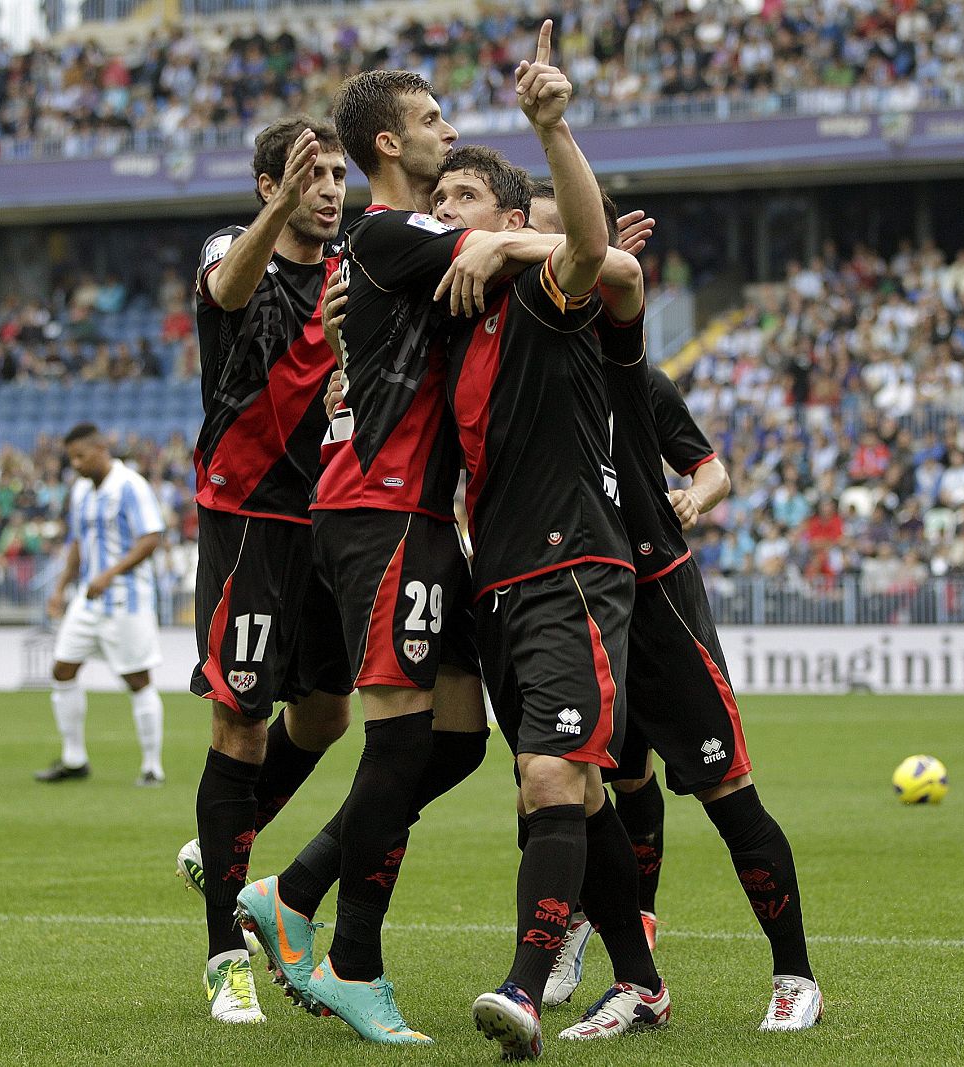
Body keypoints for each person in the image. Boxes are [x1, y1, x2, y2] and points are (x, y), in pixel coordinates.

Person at [465, 180, 821, 1031]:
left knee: (727, 789)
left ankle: (795, 972)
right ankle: (634, 971)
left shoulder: (626, 361)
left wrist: (697, 494)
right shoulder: (514, 356)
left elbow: (708, 461)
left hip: (655, 593)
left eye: (562, 241)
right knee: (591, 787)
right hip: (574, 594)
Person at [235, 69, 499, 1045]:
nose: (449, 131)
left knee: (461, 736)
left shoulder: (388, 253)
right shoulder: (390, 232)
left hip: (420, 511)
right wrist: (544, 237)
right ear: (388, 144)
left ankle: (292, 885)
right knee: (395, 736)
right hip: (381, 510)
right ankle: (355, 962)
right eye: (433, 120)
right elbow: (523, 249)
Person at [440, 28, 666, 1055]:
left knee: (550, 780)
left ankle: (524, 988)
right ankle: (645, 984)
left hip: (573, 562)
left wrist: (549, 126)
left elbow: (593, 253)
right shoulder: (457, 316)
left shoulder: (539, 299)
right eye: (435, 202)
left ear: (507, 216)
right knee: (563, 787)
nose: (444, 218)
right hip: (501, 579)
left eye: (461, 204)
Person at [181, 115, 355, 1026]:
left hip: (328, 517)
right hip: (247, 518)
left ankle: (223, 847)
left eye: (335, 174)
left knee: (323, 715)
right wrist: (278, 208)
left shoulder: (351, 268)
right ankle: (223, 957)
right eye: (309, 175)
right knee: (239, 727)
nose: (330, 189)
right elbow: (227, 286)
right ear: (267, 186)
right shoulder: (234, 250)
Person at [36, 423, 169, 785]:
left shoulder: (130, 485)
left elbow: (151, 537)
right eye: (71, 458)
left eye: (80, 456)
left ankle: (152, 767)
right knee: (62, 669)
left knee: (137, 679)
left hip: (126, 599)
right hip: (87, 599)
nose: (75, 464)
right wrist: (60, 587)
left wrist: (110, 573)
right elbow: (78, 543)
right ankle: (74, 759)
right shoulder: (80, 490)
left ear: (100, 449)